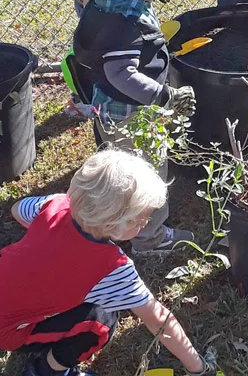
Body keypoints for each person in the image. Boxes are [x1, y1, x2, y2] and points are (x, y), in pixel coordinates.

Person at [0, 150, 216, 376]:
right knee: (101, 320)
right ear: (113, 224)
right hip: (9, 329)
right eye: (142, 218)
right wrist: (198, 368)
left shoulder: (55, 204)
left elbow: (18, 209)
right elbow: (159, 320)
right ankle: (49, 369)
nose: (145, 223)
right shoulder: (111, 269)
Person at [73, 0, 196, 256]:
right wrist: (165, 96)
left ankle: (111, 221)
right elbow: (122, 75)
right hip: (131, 113)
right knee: (146, 172)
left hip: (110, 108)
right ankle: (150, 238)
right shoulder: (124, 24)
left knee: (120, 169)